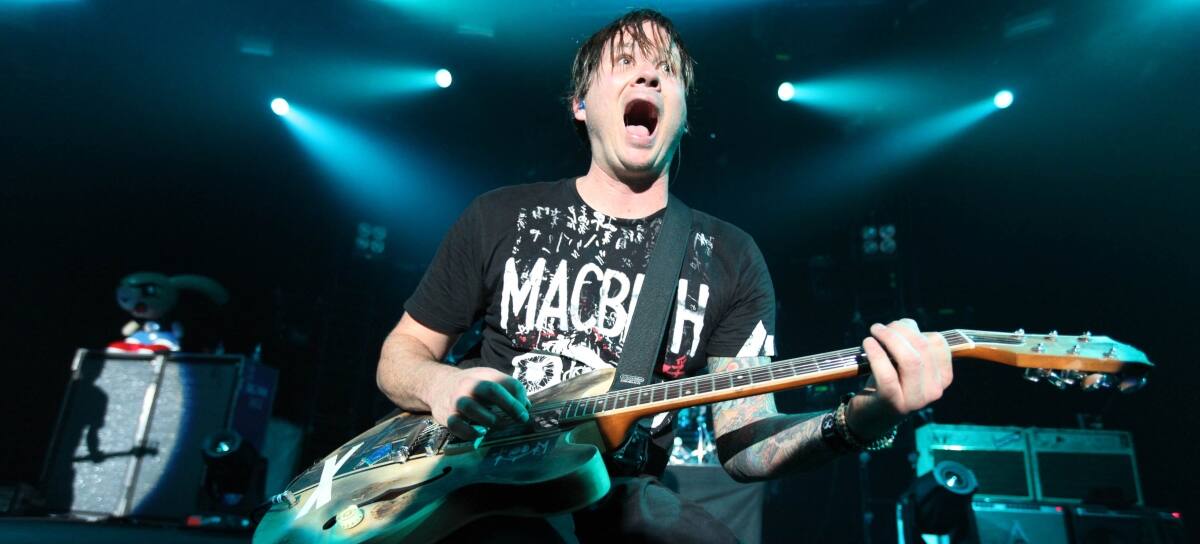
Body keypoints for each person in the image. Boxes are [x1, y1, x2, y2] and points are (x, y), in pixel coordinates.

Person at [375, 8, 953, 541]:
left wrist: (863, 418)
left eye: (667, 71)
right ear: (580, 104)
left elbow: (746, 442)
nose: (648, 76)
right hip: (475, 492)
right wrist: (441, 386)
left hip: (610, 501)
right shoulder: (501, 216)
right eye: (626, 62)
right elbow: (400, 355)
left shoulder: (729, 257)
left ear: (682, 116)